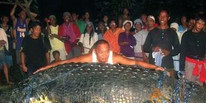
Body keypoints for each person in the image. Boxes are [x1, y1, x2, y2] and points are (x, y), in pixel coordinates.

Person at [35, 40, 165, 73]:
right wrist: (45, 68)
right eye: (101, 52)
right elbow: (66, 61)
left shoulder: (114, 57)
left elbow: (136, 62)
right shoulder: (88, 57)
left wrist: (155, 67)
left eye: (106, 51)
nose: (104, 55)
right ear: (95, 52)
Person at [180, 14, 206, 86]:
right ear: (194, 22)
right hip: (189, 65)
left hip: (201, 65)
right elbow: (182, 52)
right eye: (199, 23)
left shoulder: (205, 36)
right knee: (187, 87)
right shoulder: (186, 35)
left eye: (202, 24)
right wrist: (181, 68)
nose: (200, 26)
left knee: (199, 88)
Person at [143, 9, 180, 78]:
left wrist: (169, 52)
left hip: (167, 65)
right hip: (153, 65)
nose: (162, 18)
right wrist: (153, 48)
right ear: (158, 17)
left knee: (167, 87)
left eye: (164, 16)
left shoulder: (172, 33)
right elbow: (145, 47)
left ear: (168, 18)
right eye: (160, 16)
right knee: (153, 87)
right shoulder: (152, 32)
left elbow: (178, 48)